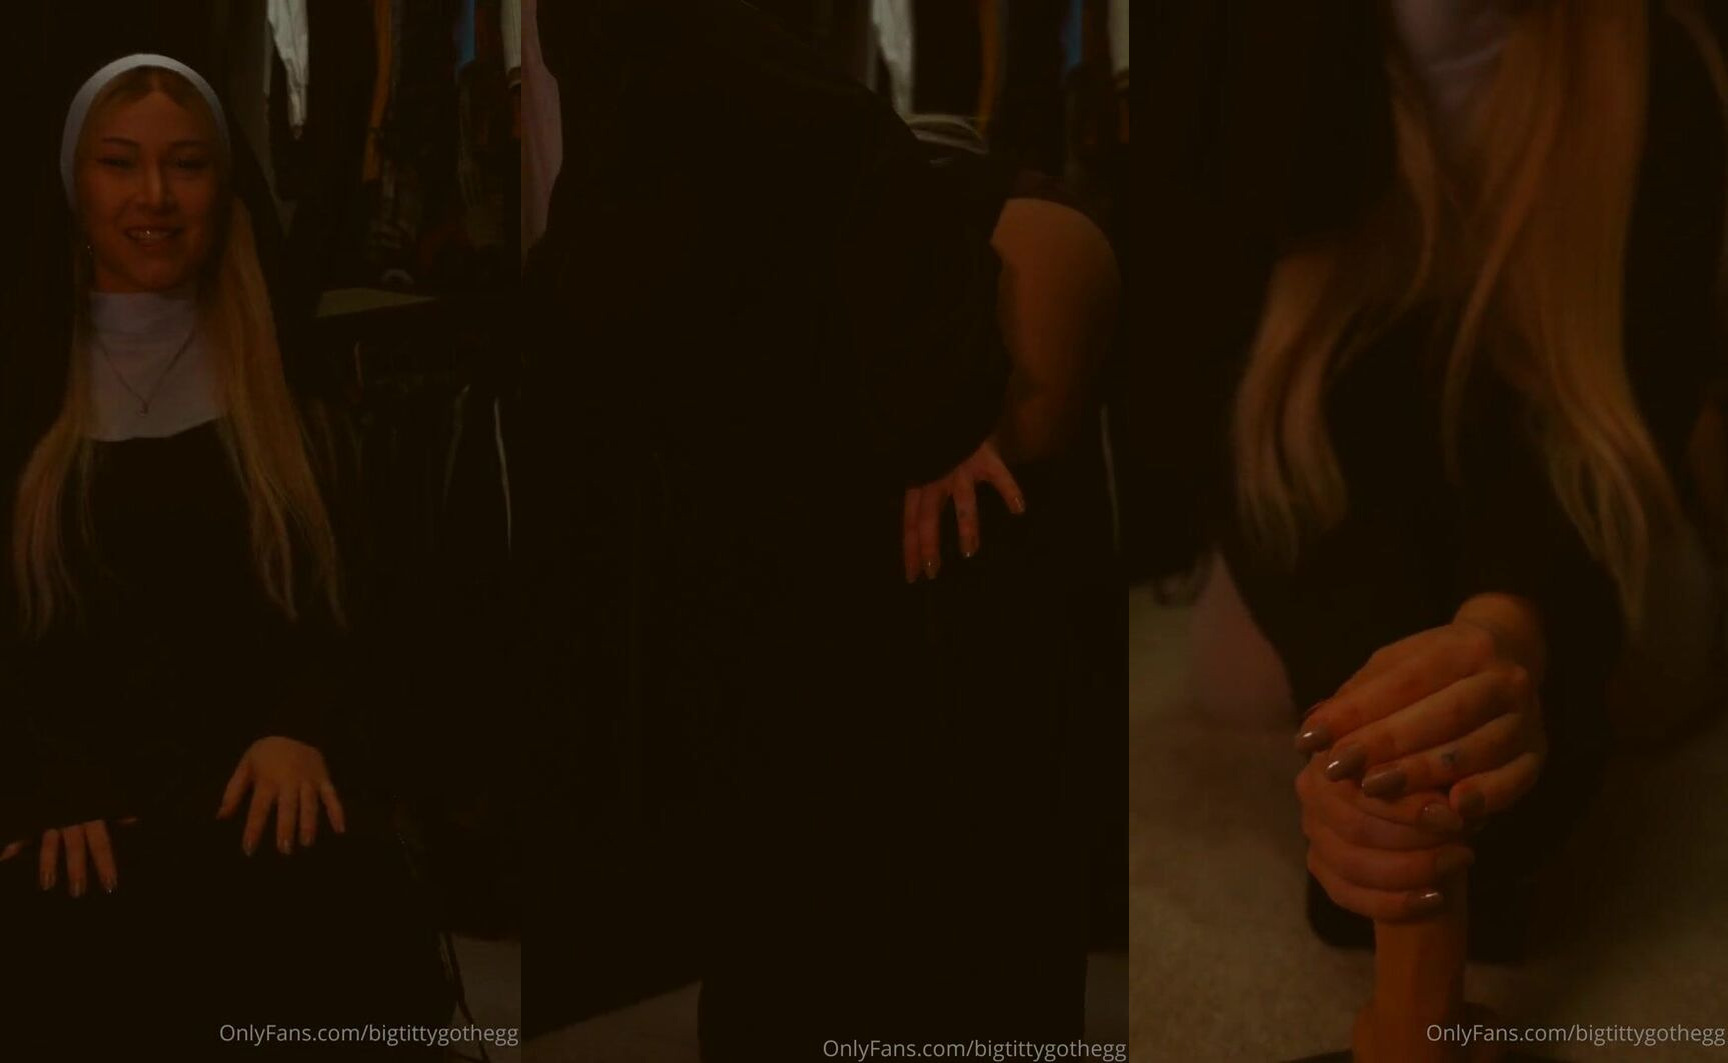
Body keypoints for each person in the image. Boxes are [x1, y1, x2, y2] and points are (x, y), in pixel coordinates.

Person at [529, 1, 1118, 1058]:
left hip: (890, 559)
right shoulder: (659, 133)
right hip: (772, 576)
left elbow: (829, 135)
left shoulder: (772, 127)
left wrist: (947, 389)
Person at [1154, 0, 1727, 1055]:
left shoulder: (1665, 70)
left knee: (1646, 675)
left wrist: (1508, 634)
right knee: (1242, 678)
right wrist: (1371, 721)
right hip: (1317, 459)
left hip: (1591, 478)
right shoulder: (1230, 55)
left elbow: (1620, 418)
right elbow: (1215, 403)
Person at [0, 54, 447, 1059]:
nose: (155, 196)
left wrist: (304, 727)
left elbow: (367, 613)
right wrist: (38, 779)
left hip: (264, 797)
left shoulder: (295, 401)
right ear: (75, 187)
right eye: (121, 163)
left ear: (223, 187)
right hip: (82, 811)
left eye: (188, 165)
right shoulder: (20, 395)